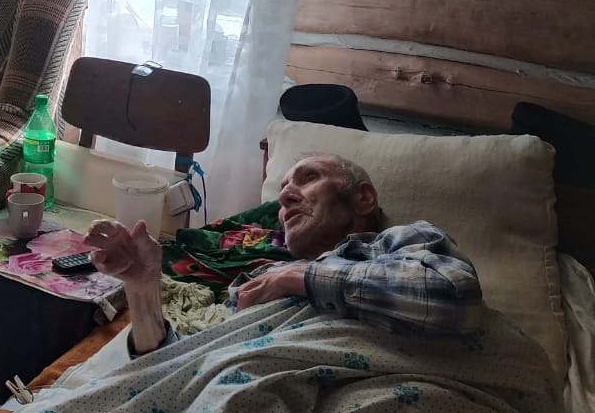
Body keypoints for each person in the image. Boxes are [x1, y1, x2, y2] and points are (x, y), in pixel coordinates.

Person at [85, 152, 485, 355]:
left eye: (309, 178)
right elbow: (180, 365)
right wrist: (143, 288)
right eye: (282, 189)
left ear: (363, 198)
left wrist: (300, 277)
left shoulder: (403, 241)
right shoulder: (260, 282)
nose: (285, 196)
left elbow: (454, 297)